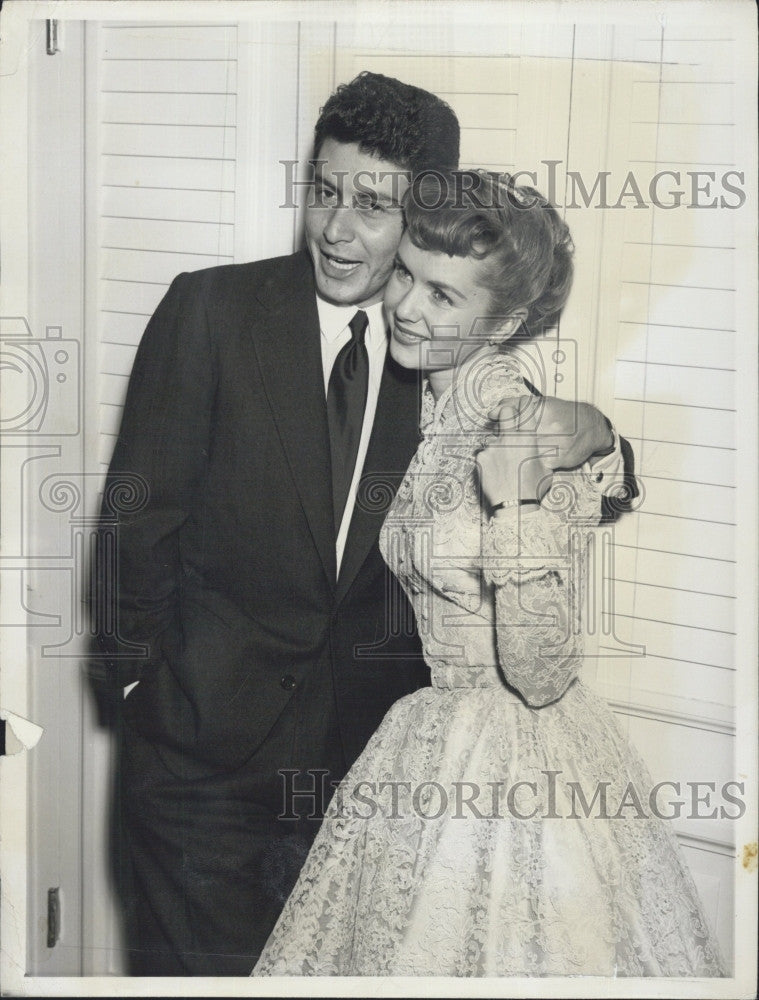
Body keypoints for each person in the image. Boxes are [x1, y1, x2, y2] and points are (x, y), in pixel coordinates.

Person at [92, 74, 627, 975]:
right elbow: (135, 518)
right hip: (196, 770)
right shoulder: (211, 311)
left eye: (373, 207)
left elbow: (581, 474)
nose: (336, 230)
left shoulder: (443, 349)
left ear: (424, 220)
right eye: (324, 191)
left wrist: (598, 430)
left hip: (358, 786)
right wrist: (136, 692)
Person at [253, 171, 725, 977]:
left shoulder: (518, 423)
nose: (405, 306)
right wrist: (602, 435)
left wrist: (520, 502)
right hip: (424, 733)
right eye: (406, 273)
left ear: (502, 321)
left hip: (521, 762)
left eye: (443, 296)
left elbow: (542, 676)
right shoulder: (422, 398)